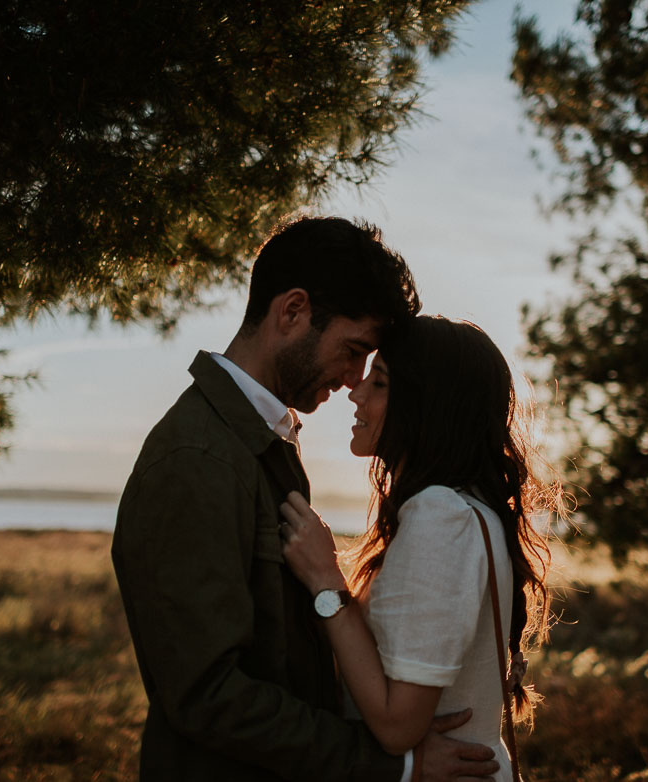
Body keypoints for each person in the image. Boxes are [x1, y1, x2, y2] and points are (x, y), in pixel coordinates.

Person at [111, 217, 503, 782]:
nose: (353, 380)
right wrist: (388, 761)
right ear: (292, 311)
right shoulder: (198, 459)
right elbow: (207, 694)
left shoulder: (263, 445)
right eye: (353, 350)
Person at [278, 316, 554, 782]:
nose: (356, 392)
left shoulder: (439, 517)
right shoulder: (468, 510)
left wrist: (327, 584)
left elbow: (396, 725)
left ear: (428, 404)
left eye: (380, 382)